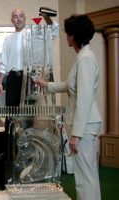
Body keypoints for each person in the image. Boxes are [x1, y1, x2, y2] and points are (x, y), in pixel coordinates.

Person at [36, 15, 102, 200]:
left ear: (73, 36)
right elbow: (69, 85)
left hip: (85, 125)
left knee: (85, 178)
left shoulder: (85, 58)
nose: (66, 38)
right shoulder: (83, 56)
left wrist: (76, 135)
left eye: (67, 34)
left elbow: (85, 98)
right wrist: (46, 84)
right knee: (88, 175)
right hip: (85, 124)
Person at [0, 8, 58, 188]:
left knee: (28, 119)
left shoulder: (34, 34)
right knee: (11, 117)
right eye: (15, 16)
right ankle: (10, 153)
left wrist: (46, 18)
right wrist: (1, 82)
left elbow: (52, 32)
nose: (18, 19)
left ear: (25, 19)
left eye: (21, 16)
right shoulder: (7, 39)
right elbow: (4, 62)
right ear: (11, 20)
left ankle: (27, 155)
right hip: (13, 79)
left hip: (29, 77)